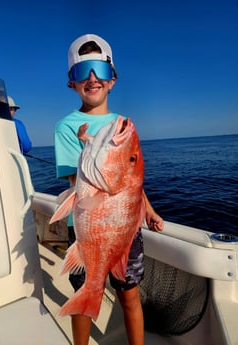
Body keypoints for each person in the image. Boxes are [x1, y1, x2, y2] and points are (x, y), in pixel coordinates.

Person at [54, 34, 164, 345]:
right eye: (81, 72)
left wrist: (149, 208)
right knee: (86, 290)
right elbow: (80, 185)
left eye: (100, 71)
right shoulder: (67, 127)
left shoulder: (121, 124)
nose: (92, 79)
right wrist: (89, 149)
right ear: (71, 83)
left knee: (129, 296)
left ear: (112, 80)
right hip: (89, 230)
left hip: (125, 228)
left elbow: (130, 181)